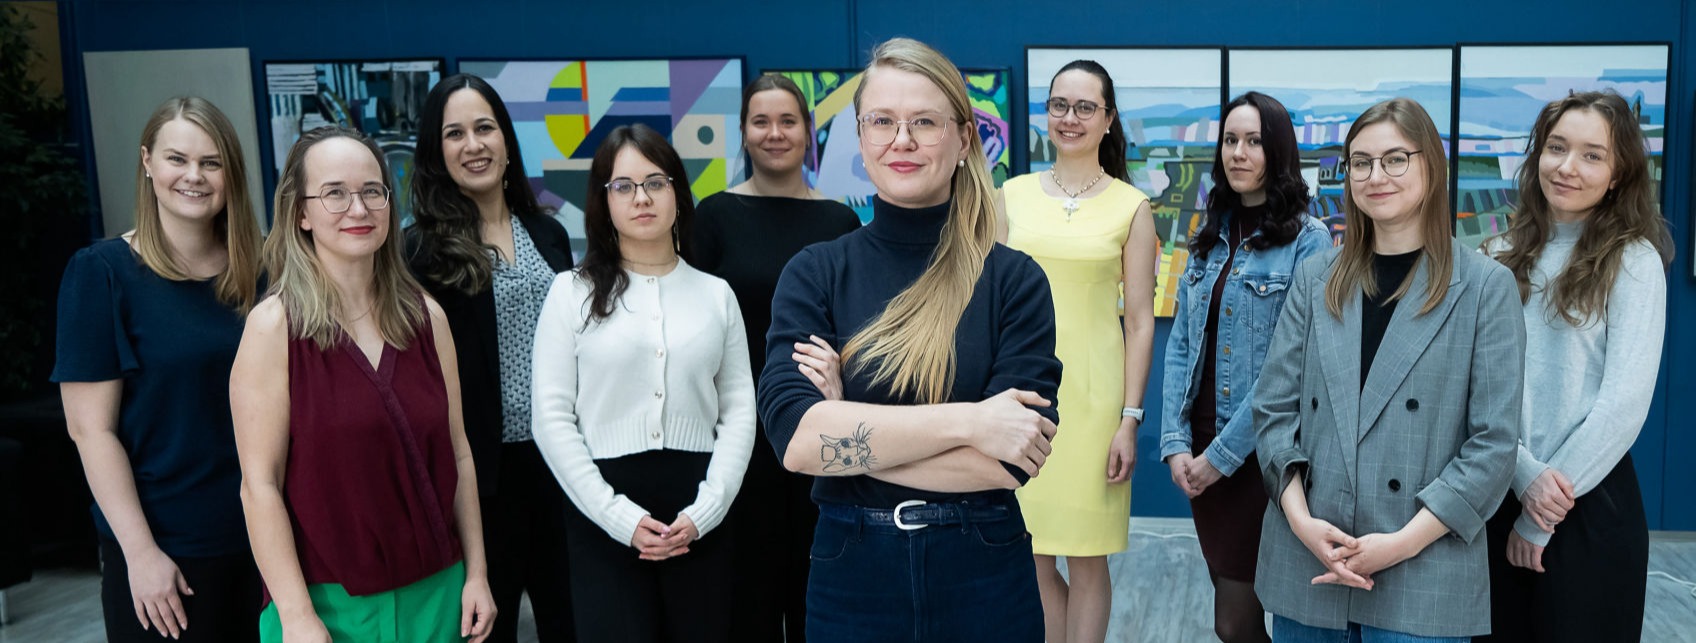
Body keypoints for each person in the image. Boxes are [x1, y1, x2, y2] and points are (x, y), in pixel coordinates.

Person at [758, 37, 1061, 643]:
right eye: (882, 122)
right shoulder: (816, 272)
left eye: (924, 121)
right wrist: (972, 422)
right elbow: (797, 442)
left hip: (983, 566)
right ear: (861, 137)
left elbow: (1007, 462)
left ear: (962, 137)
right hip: (853, 572)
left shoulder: (1013, 279)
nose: (902, 140)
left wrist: (845, 418)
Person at [1252, 97, 1524, 642]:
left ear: (1431, 166)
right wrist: (1303, 523)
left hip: (1422, 571)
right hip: (1309, 562)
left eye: (1396, 159)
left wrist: (1397, 545)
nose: (1376, 176)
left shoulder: (1485, 287)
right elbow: (1273, 412)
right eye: (1360, 162)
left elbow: (1493, 445)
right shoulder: (1315, 277)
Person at [230, 126, 496, 643]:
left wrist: (478, 575)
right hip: (328, 605)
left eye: (373, 191)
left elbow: (459, 455)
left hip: (439, 593)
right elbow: (258, 486)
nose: (359, 208)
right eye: (334, 193)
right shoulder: (272, 328)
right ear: (301, 214)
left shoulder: (426, 318)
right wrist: (296, 616)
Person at [530, 123, 755, 643]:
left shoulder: (716, 294)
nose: (642, 198)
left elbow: (740, 408)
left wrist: (709, 508)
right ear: (603, 200)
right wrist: (617, 516)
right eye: (624, 186)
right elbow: (551, 417)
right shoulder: (571, 292)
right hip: (601, 508)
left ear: (677, 190)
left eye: (656, 182)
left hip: (698, 511)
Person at [53, 96, 264, 643]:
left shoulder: (265, 269)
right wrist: (139, 553)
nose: (194, 176)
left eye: (211, 163)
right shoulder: (101, 273)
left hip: (268, 540)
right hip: (165, 553)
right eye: (178, 159)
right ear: (147, 162)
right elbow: (89, 429)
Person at [1480, 90, 1672, 643]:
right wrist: (1523, 477)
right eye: (1556, 147)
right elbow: (1479, 392)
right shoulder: (1496, 254)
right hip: (1498, 495)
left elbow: (1622, 406)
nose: (1567, 167)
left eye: (1592, 155)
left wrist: (1540, 514)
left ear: (1618, 174)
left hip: (1590, 507)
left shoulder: (1633, 260)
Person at [406, 73, 577, 643]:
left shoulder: (548, 233)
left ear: (506, 140)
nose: (473, 144)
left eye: (485, 128)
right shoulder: (420, 250)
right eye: (455, 133)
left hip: (558, 463)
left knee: (571, 620)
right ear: (437, 152)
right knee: (487, 627)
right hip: (478, 476)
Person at [692, 73, 860, 643]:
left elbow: (856, 331)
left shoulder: (839, 223)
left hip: (820, 429)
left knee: (819, 588)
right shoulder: (712, 217)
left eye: (788, 121)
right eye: (760, 121)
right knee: (749, 596)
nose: (775, 133)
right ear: (743, 132)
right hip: (737, 430)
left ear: (808, 132)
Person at [1158, 91, 1331, 643]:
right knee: (1230, 601)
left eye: (1254, 141)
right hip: (1201, 447)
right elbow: (1181, 344)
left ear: (1277, 150)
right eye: (1230, 140)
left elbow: (1291, 366)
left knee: (1234, 622)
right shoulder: (1208, 237)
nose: (1238, 152)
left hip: (1261, 454)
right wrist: (1174, 443)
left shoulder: (1309, 241)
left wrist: (1221, 458)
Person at [996, 59, 1155, 643]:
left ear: (1109, 120)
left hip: (1094, 404)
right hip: (1020, 394)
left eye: (1086, 107)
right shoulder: (1007, 197)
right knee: (1030, 550)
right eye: (1059, 105)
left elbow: (1139, 322)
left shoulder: (1131, 207)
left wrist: (1129, 420)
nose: (1070, 117)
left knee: (1088, 557)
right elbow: (986, 303)